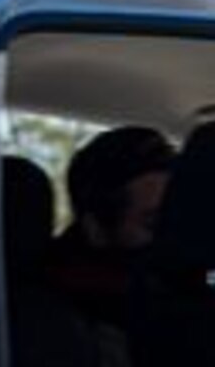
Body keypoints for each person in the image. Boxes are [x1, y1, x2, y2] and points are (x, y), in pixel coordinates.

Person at [49, 124, 177, 325]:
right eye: (154, 223)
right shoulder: (62, 320)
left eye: (181, 216)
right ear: (96, 229)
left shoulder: (188, 280)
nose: (175, 233)